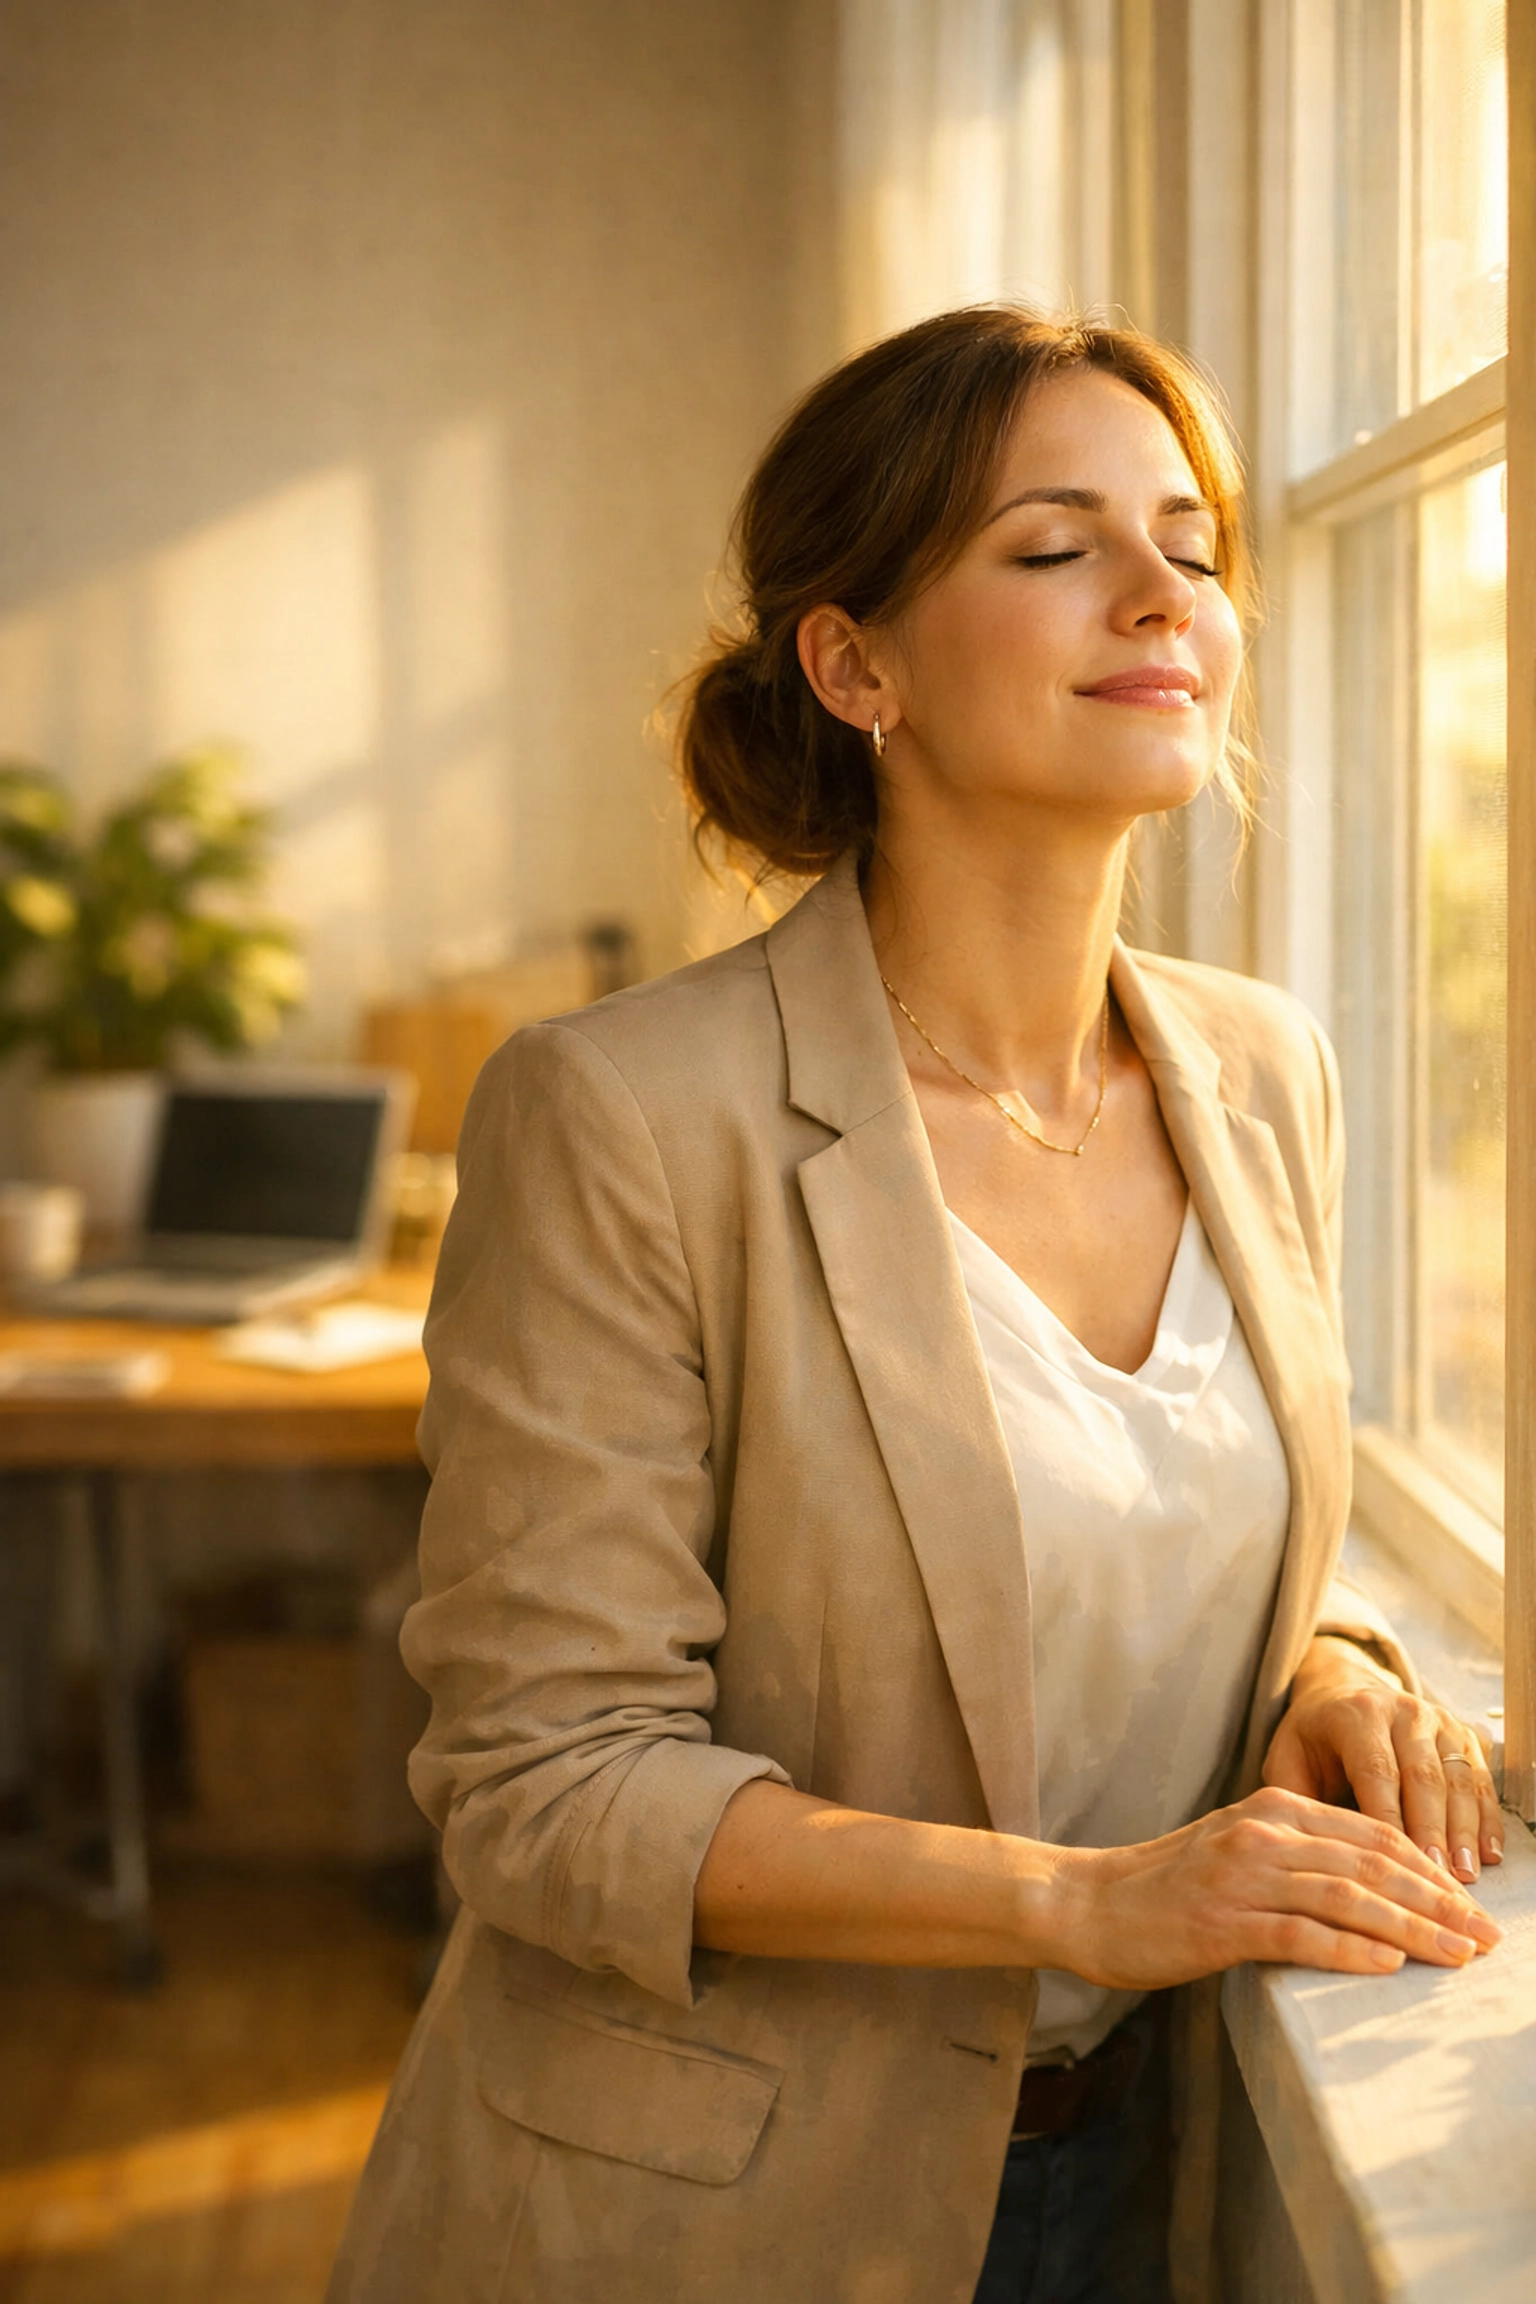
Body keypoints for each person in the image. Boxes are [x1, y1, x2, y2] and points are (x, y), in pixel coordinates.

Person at [329, 308, 1503, 2304]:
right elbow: (549, 1789)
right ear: (853, 661)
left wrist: (1323, 1672)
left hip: (1147, 2167)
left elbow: (1143, 1524)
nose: (1162, 597)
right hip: (701, 2218)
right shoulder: (620, 1112)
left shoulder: (1264, 1071)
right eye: (1055, 549)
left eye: (1194, 548)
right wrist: (1098, 1901)